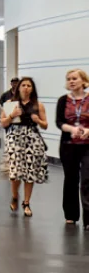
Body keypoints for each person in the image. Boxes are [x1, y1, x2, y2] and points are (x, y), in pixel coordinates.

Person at [2, 76, 48, 218]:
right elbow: (3, 123)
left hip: (32, 138)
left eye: (29, 85)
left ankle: (26, 202)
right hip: (15, 137)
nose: (26, 88)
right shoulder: (10, 103)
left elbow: (45, 125)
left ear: (32, 88)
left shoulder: (38, 105)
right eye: (23, 85)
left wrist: (38, 120)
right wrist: (12, 115)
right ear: (19, 87)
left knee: (30, 172)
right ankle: (15, 196)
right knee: (15, 171)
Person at [56, 68, 89, 228]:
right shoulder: (63, 100)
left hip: (87, 145)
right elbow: (59, 121)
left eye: (75, 78)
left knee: (87, 180)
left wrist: (88, 131)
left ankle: (88, 218)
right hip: (68, 145)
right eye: (69, 79)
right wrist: (72, 129)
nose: (71, 81)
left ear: (83, 81)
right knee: (70, 180)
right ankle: (71, 215)